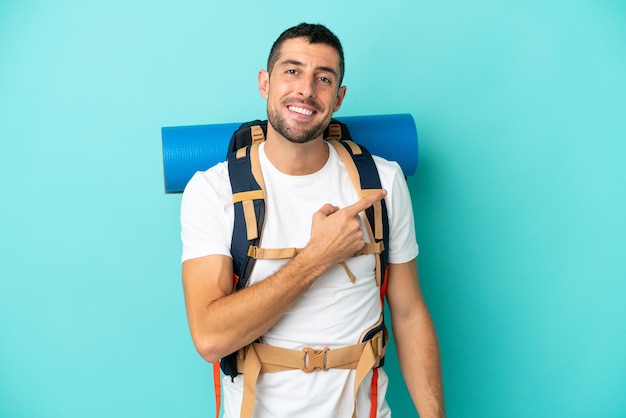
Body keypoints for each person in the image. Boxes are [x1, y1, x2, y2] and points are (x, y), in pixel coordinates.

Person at [180, 23, 445, 417]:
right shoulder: (213, 191)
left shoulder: (381, 182)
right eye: (292, 71)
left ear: (338, 98)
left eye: (323, 78)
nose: (305, 89)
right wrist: (316, 257)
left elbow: (408, 313)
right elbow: (210, 338)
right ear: (264, 83)